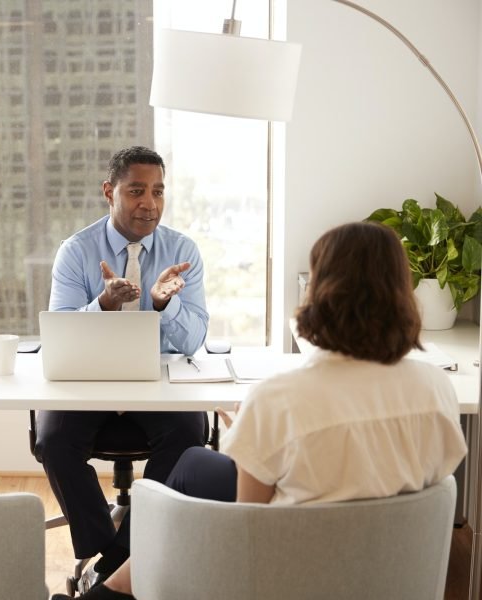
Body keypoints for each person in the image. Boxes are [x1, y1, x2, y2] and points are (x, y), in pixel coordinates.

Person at [51, 221, 468, 600]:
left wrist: (246, 441)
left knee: (187, 484)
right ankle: (119, 579)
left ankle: (115, 585)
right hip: (391, 576)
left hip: (293, 574)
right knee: (194, 461)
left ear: (321, 290)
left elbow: (247, 527)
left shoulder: (279, 399)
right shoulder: (436, 389)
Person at [36, 146, 210, 585]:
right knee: (54, 439)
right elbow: (60, 334)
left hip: (157, 384)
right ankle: (119, 558)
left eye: (157, 191)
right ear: (109, 192)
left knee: (189, 435)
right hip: (89, 383)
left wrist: (160, 304)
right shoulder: (76, 251)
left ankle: (114, 566)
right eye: (136, 191)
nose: (148, 203)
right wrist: (103, 304)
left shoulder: (182, 251)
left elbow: (193, 341)